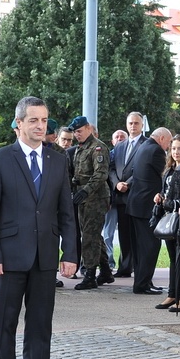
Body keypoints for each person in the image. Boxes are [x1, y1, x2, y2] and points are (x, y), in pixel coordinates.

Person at [0, 96, 77, 359]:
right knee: (4, 324)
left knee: (40, 324)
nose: (40, 126)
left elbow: (67, 212)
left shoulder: (58, 159)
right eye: (33, 120)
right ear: (19, 123)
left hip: (45, 256)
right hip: (9, 257)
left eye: (44, 120)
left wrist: (70, 252)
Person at [67, 115, 113, 289]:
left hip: (96, 198)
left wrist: (85, 190)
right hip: (83, 197)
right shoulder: (81, 147)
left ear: (88, 128)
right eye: (75, 132)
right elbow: (79, 175)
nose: (77, 134)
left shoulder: (98, 148)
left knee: (89, 236)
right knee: (93, 235)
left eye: (79, 131)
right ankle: (106, 271)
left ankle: (90, 275)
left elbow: (100, 175)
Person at [153, 135, 180, 312]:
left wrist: (174, 203)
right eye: (173, 149)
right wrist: (160, 197)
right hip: (168, 217)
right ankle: (172, 294)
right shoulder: (170, 169)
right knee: (173, 258)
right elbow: (166, 190)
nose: (176, 152)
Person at [127, 127, 171, 294]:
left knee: (140, 247)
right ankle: (142, 284)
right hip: (146, 206)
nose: (168, 146)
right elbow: (165, 173)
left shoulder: (143, 147)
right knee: (150, 246)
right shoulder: (156, 151)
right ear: (161, 138)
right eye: (168, 142)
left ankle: (143, 281)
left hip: (136, 204)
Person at [109, 112, 146, 278]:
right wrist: (116, 183)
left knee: (138, 235)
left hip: (137, 195)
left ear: (142, 125)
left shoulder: (146, 144)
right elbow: (111, 168)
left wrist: (128, 183)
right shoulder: (119, 146)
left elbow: (143, 169)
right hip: (121, 196)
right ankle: (124, 267)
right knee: (124, 234)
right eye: (130, 123)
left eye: (136, 123)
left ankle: (138, 268)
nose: (133, 126)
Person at [102, 129, 127, 270]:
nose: (119, 139)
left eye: (122, 137)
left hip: (125, 200)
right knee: (108, 234)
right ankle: (109, 263)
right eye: (116, 137)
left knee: (125, 235)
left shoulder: (131, 155)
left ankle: (125, 265)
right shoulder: (109, 156)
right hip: (110, 200)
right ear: (112, 141)